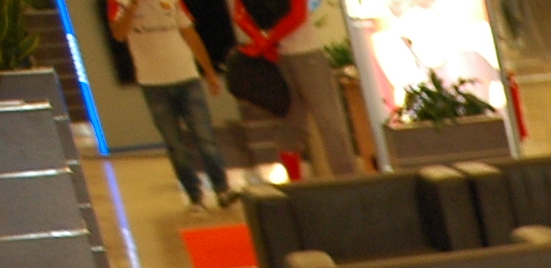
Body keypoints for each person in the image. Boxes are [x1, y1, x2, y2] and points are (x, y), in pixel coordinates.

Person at [110, 0, 233, 212]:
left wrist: (209, 73)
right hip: (153, 83)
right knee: (174, 144)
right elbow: (119, 34)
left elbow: (189, 33)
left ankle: (222, 189)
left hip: (186, 76)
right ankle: (195, 196)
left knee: (205, 137)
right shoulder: (119, 2)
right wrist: (132, 7)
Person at [228, 0, 368, 178]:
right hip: (305, 52)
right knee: (328, 120)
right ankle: (347, 177)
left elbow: (240, 15)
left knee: (293, 120)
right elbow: (298, 14)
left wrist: (262, 40)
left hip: (278, 55)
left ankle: (296, 181)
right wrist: (268, 42)